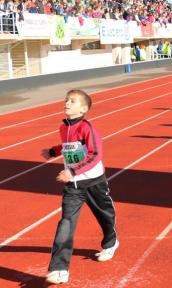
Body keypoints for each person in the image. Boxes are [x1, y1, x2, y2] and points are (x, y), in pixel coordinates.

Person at [41, 89, 118, 285]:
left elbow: (94, 154)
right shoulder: (63, 127)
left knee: (105, 216)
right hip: (73, 187)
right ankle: (59, 268)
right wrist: (53, 151)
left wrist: (73, 171)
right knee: (66, 222)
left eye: (72, 101)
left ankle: (110, 242)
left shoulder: (87, 128)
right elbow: (67, 146)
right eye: (66, 99)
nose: (66, 103)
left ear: (83, 109)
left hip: (94, 182)